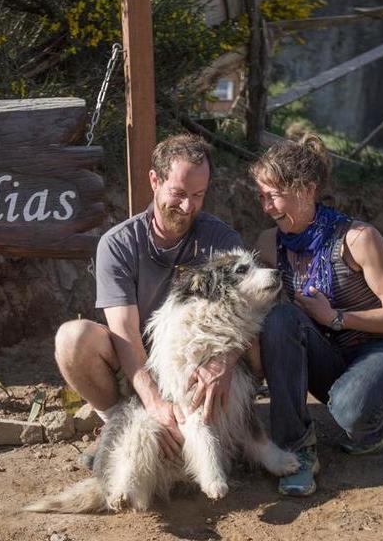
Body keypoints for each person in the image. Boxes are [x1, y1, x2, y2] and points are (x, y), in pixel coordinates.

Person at [54, 133, 244, 467]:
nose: (188, 207)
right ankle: (123, 424)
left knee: (272, 320)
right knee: (71, 338)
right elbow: (124, 335)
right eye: (179, 194)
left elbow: (245, 311)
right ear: (154, 180)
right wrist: (155, 404)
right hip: (138, 364)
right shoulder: (117, 245)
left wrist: (225, 362)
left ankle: (236, 433)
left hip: (193, 367)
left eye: (198, 195)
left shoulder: (220, 238)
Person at [251, 134, 383, 497]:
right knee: (280, 318)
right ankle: (295, 446)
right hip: (327, 355)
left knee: (352, 412)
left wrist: (336, 317)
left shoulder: (358, 238)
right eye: (262, 195)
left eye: (275, 195)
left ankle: (372, 419)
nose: (267, 206)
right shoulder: (269, 243)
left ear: (308, 189)